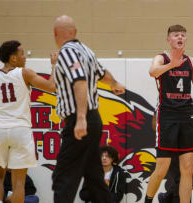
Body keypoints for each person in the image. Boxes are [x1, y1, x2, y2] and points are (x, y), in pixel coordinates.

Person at [145, 24, 193, 203]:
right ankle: (148, 200)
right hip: (167, 117)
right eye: (175, 35)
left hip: (187, 117)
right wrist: (171, 65)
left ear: (185, 39)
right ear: (168, 39)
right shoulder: (161, 58)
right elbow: (152, 72)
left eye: (182, 35)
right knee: (162, 168)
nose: (180, 37)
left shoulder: (191, 62)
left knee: (187, 168)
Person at [51, 15, 126, 203]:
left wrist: (81, 118)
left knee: (63, 177)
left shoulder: (66, 53)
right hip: (94, 120)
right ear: (75, 32)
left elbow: (80, 82)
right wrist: (114, 83)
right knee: (94, 178)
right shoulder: (86, 51)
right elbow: (103, 73)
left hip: (80, 119)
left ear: (54, 34)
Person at [0, 40, 57, 203]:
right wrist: (54, 65)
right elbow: (52, 86)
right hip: (20, 130)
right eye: (22, 53)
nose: (25, 56)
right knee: (19, 183)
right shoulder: (24, 73)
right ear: (13, 58)